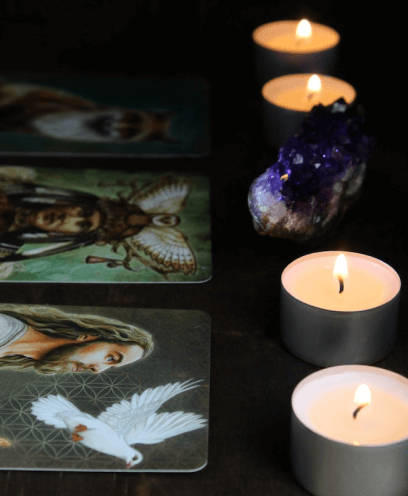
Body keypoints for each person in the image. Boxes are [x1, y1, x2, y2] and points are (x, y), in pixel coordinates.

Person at [0, 304, 154, 374]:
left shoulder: (9, 352)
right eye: (111, 358)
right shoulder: (4, 327)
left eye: (110, 366)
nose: (97, 370)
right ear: (87, 336)